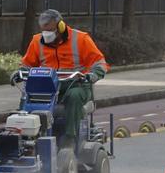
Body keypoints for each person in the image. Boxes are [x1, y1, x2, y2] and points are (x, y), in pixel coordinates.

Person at [19, 8, 107, 144]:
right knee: (26, 96)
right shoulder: (37, 41)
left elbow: (99, 62)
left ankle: (70, 138)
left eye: (50, 31)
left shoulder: (81, 39)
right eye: (44, 31)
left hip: (76, 84)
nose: (46, 35)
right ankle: (23, 135)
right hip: (48, 87)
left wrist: (93, 75)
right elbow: (27, 64)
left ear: (60, 26)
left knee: (74, 96)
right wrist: (19, 73)